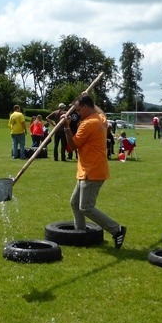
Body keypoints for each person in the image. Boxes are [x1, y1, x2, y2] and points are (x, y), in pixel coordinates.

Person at [59, 94, 126, 250]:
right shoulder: (100, 118)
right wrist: (87, 98)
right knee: (75, 203)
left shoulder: (88, 124)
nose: (76, 113)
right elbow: (99, 111)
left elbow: (73, 146)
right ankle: (81, 233)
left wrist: (67, 127)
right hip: (88, 169)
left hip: (91, 171)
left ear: (86, 107)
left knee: (85, 207)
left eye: (78, 109)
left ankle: (116, 230)